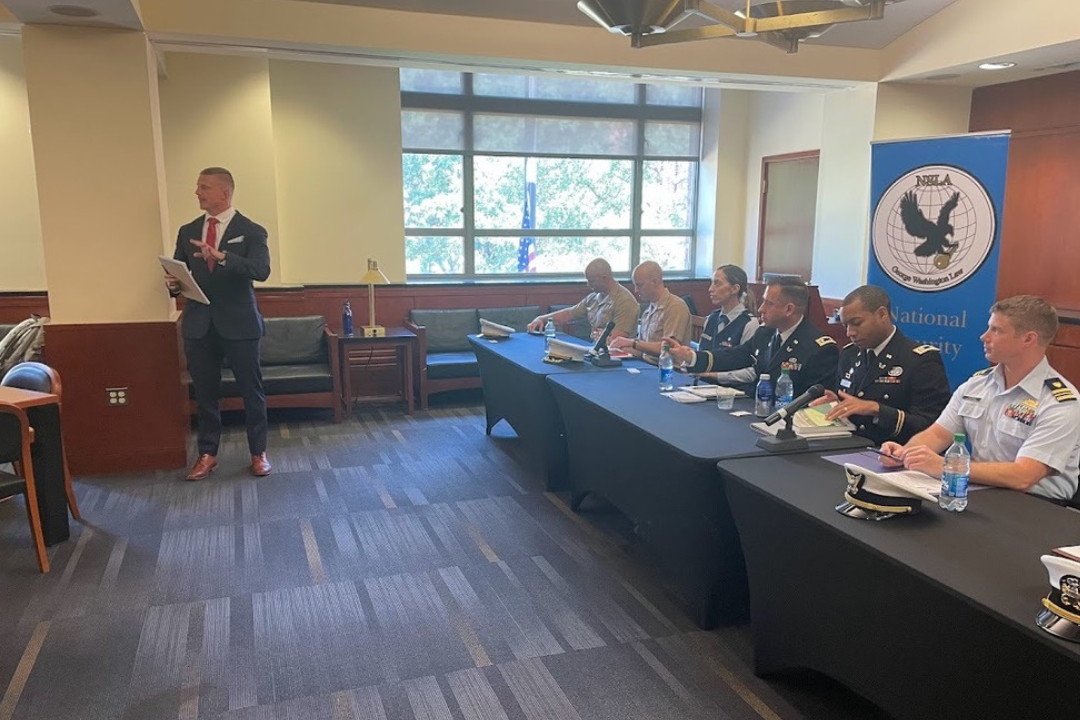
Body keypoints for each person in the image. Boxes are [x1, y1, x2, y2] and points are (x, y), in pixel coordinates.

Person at [881, 295, 1080, 503]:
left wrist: (945, 466)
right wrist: (905, 454)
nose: (984, 337)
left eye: (996, 330)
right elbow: (939, 434)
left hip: (1037, 506)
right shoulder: (977, 384)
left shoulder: (1059, 403)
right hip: (979, 492)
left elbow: (1024, 476)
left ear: (1028, 339)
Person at [166, 167, 272, 481]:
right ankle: (208, 454)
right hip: (199, 324)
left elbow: (261, 269)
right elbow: (179, 274)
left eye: (204, 187)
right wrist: (173, 284)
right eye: (198, 187)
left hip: (239, 323)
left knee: (251, 391)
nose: (197, 192)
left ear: (224, 193)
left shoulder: (252, 230)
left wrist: (222, 256)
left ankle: (258, 453)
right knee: (205, 393)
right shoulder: (187, 231)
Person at [812, 285, 951, 445]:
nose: (850, 332)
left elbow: (932, 427)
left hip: (893, 453)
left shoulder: (920, 360)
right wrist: (836, 403)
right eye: (845, 326)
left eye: (856, 323)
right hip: (848, 448)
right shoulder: (849, 354)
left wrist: (877, 409)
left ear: (882, 314)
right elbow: (853, 406)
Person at [668, 276, 837, 396]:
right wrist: (691, 357)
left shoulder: (818, 348)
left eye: (769, 304)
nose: (761, 309)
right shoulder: (765, 333)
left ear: (789, 309)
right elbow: (734, 356)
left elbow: (815, 402)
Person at [527, 258, 638, 339]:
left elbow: (617, 340)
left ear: (605, 278)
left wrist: (602, 336)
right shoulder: (594, 298)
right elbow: (569, 314)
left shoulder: (625, 301)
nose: (588, 285)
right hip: (596, 351)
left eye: (592, 281)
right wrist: (542, 318)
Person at [693, 264, 760, 387]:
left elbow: (753, 371)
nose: (710, 289)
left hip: (731, 391)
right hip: (702, 385)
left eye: (717, 284)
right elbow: (702, 352)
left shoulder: (749, 324)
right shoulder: (712, 318)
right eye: (711, 283)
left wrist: (717, 376)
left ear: (734, 289)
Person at [608, 260, 691, 358]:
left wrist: (633, 342)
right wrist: (616, 346)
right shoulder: (648, 311)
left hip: (667, 369)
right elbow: (642, 351)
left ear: (655, 282)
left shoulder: (675, 307)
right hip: (647, 364)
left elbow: (669, 348)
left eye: (639, 285)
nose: (636, 290)